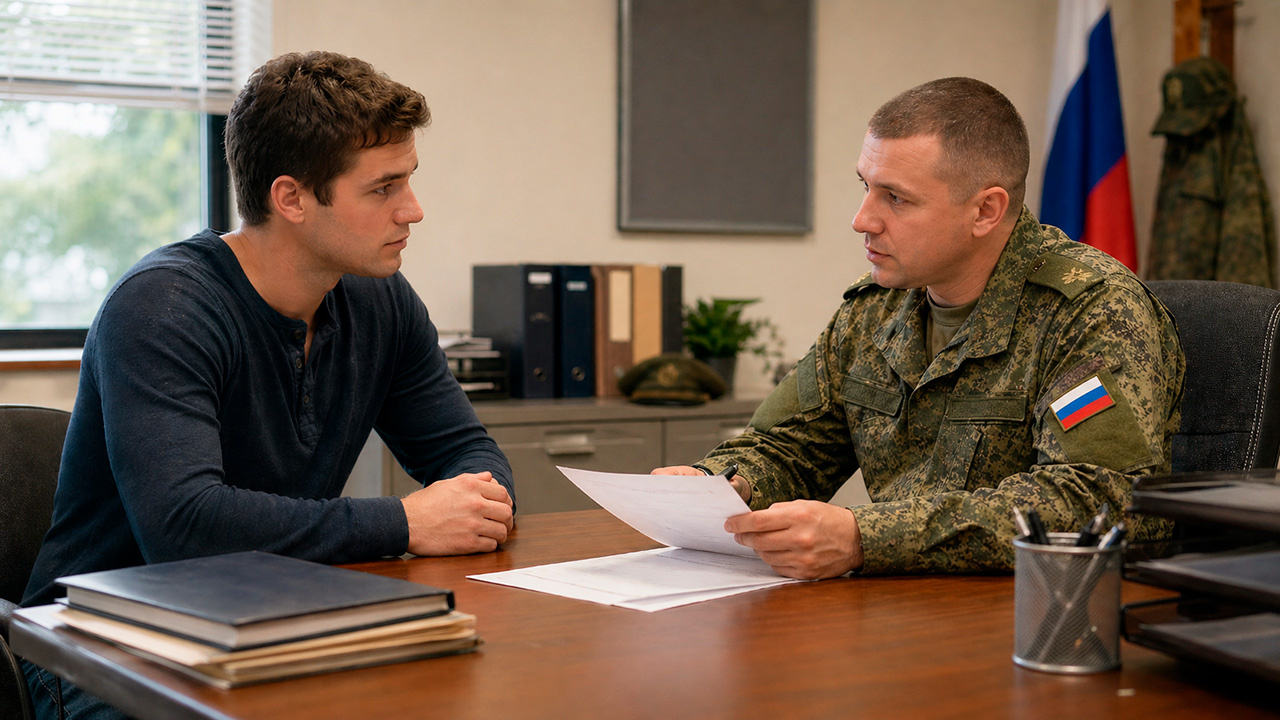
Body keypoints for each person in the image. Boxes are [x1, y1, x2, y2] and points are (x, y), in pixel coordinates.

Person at [21, 51, 515, 719]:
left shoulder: (380, 301)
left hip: (267, 622)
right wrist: (404, 520)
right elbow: (185, 527)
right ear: (291, 198)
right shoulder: (162, 308)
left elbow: (469, 454)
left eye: (409, 181)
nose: (414, 210)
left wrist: (476, 500)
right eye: (383, 188)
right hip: (98, 653)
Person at [655, 77, 1185, 581]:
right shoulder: (875, 309)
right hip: (893, 608)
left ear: (985, 210)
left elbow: (1102, 500)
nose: (863, 219)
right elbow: (791, 446)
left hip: (1031, 617)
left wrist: (867, 537)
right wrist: (719, 484)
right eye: (865, 187)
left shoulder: (1089, 310)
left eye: (896, 198)